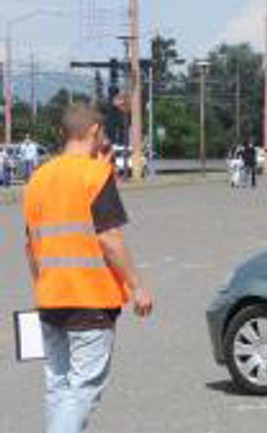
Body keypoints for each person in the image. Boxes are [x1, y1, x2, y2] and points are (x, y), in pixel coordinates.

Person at [23, 103, 154, 433]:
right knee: (81, 391)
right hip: (89, 301)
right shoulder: (95, 175)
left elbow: (31, 247)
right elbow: (109, 238)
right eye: (104, 133)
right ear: (94, 131)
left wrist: (42, 288)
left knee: (59, 387)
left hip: (50, 300)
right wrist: (136, 286)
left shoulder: (37, 178)